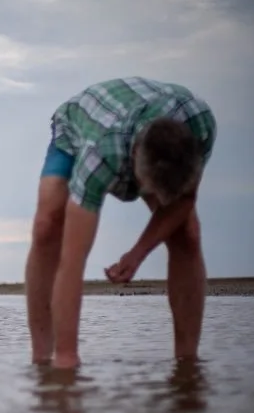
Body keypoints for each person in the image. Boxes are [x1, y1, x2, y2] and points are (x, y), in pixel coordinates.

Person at [25, 76, 217, 369]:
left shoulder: (200, 125)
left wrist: (137, 253)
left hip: (163, 115)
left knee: (187, 232)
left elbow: (185, 201)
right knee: (47, 225)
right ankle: (43, 358)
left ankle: (187, 361)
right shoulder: (100, 157)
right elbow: (72, 260)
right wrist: (67, 361)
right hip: (79, 121)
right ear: (134, 164)